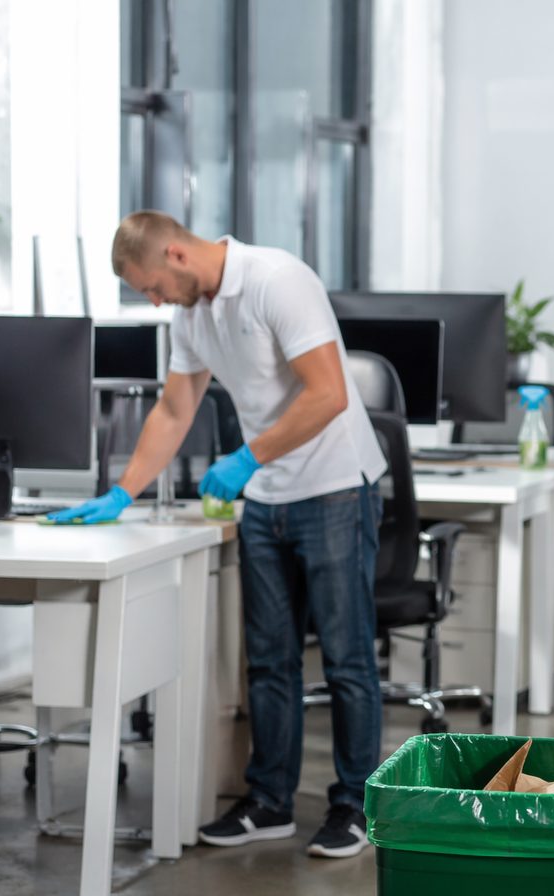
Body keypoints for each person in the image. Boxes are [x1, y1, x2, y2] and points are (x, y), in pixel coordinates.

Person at [50, 211, 389, 859]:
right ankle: (269, 801)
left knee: (346, 659)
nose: (152, 301)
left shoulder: (276, 280)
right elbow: (175, 408)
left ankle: (354, 804)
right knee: (268, 660)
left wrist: (245, 459)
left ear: (175, 255)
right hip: (265, 498)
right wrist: (124, 491)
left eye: (151, 286)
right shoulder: (191, 315)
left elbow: (327, 395)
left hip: (336, 486)